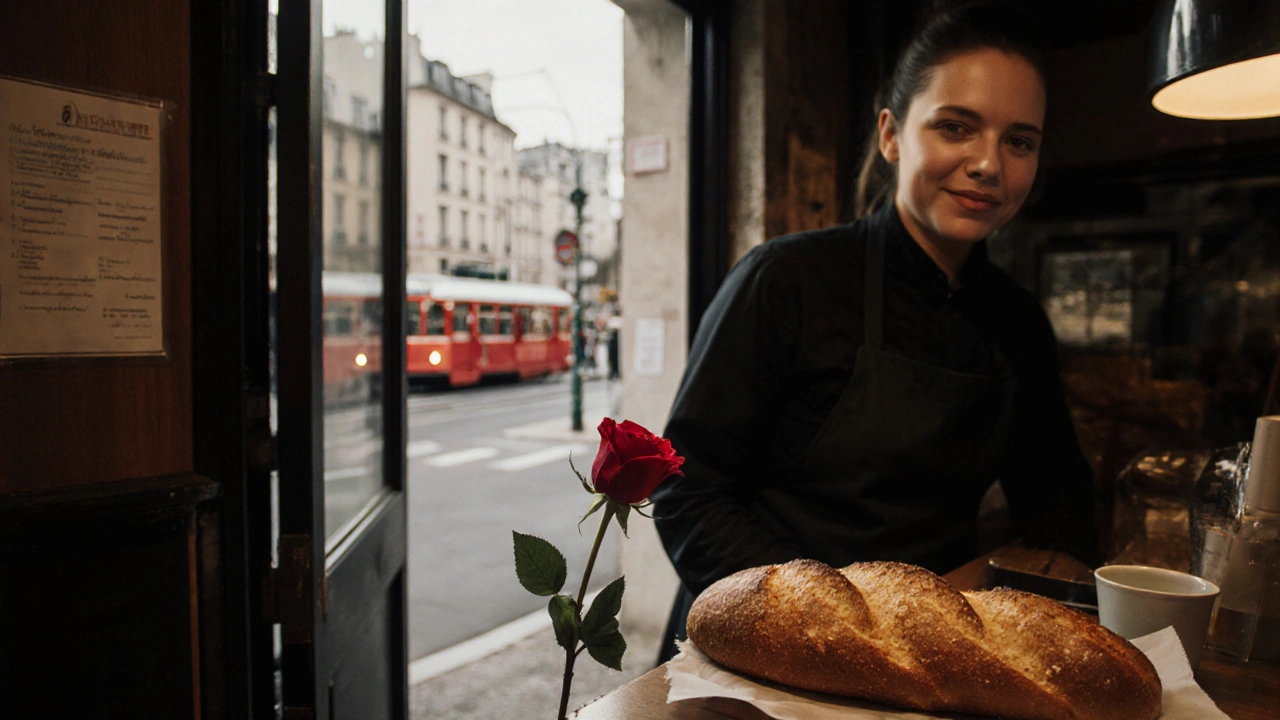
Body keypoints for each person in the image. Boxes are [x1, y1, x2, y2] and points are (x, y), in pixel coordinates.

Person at [650, 1, 1099, 664]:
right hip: (764, 648)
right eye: (956, 127)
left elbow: (1058, 496)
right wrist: (819, 624)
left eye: (1019, 141)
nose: (987, 164)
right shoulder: (788, 279)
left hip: (928, 651)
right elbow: (686, 486)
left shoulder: (1017, 321)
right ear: (892, 135)